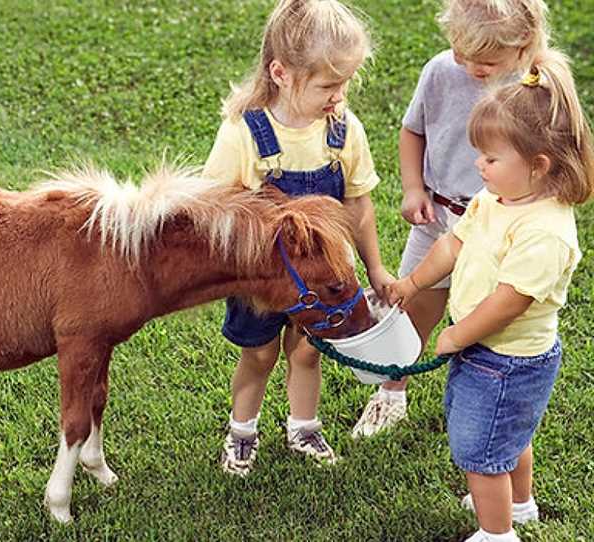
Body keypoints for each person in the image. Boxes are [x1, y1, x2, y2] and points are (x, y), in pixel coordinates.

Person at [388, 50, 594, 542]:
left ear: (538, 165)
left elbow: (510, 301)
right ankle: (518, 505)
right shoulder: (496, 198)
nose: (477, 165)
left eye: (490, 157)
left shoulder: (544, 230)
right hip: (485, 350)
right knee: (507, 435)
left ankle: (497, 534)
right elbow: (451, 245)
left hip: (508, 359)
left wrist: (457, 334)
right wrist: (413, 284)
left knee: (479, 449)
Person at [202, 0, 394, 476]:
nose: (339, 95)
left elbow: (359, 206)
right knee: (260, 352)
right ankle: (242, 431)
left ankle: (303, 427)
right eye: (329, 85)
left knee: (309, 350)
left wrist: (375, 269)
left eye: (345, 82)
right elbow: (216, 213)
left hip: (326, 277)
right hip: (263, 280)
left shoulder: (344, 130)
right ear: (281, 73)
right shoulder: (243, 135)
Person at [352, 0, 551, 438]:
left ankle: (481, 400)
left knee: (485, 320)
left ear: (524, 46)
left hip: (499, 229)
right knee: (412, 308)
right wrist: (413, 188)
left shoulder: (536, 91)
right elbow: (413, 130)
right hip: (439, 216)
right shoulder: (441, 71)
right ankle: (391, 393)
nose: (470, 66)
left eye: (485, 61)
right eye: (462, 54)